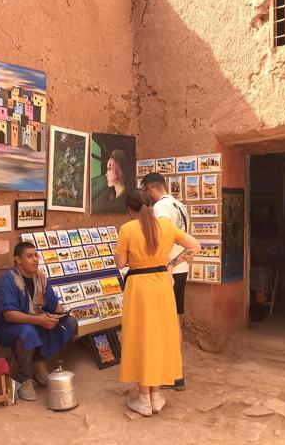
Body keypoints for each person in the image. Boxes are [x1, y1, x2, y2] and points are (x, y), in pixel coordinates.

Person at [114, 188, 201, 416]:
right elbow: (195, 245)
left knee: (142, 337)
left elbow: (120, 263)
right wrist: (171, 264)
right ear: (150, 205)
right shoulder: (165, 226)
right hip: (162, 284)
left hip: (139, 288)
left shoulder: (127, 229)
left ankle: (144, 397)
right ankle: (156, 395)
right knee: (160, 336)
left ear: (129, 209)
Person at [0, 242, 78, 402]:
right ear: (17, 260)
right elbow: (8, 315)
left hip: (37, 324)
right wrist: (38, 320)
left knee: (70, 322)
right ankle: (24, 378)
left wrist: (59, 317)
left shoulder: (40, 278)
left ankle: (39, 362)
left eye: (36, 255)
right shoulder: (7, 280)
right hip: (10, 329)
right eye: (29, 256)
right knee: (27, 331)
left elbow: (54, 304)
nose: (35, 260)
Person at [141, 172, 190, 390]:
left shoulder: (160, 208)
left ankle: (168, 373)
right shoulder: (180, 206)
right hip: (181, 268)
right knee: (174, 320)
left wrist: (166, 266)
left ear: (151, 189)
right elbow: (187, 243)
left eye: (145, 192)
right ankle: (176, 373)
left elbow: (160, 239)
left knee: (162, 324)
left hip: (167, 271)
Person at [91, 149, 133, 213]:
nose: (106, 174)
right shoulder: (107, 194)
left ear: (120, 170)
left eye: (109, 169)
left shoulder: (128, 198)